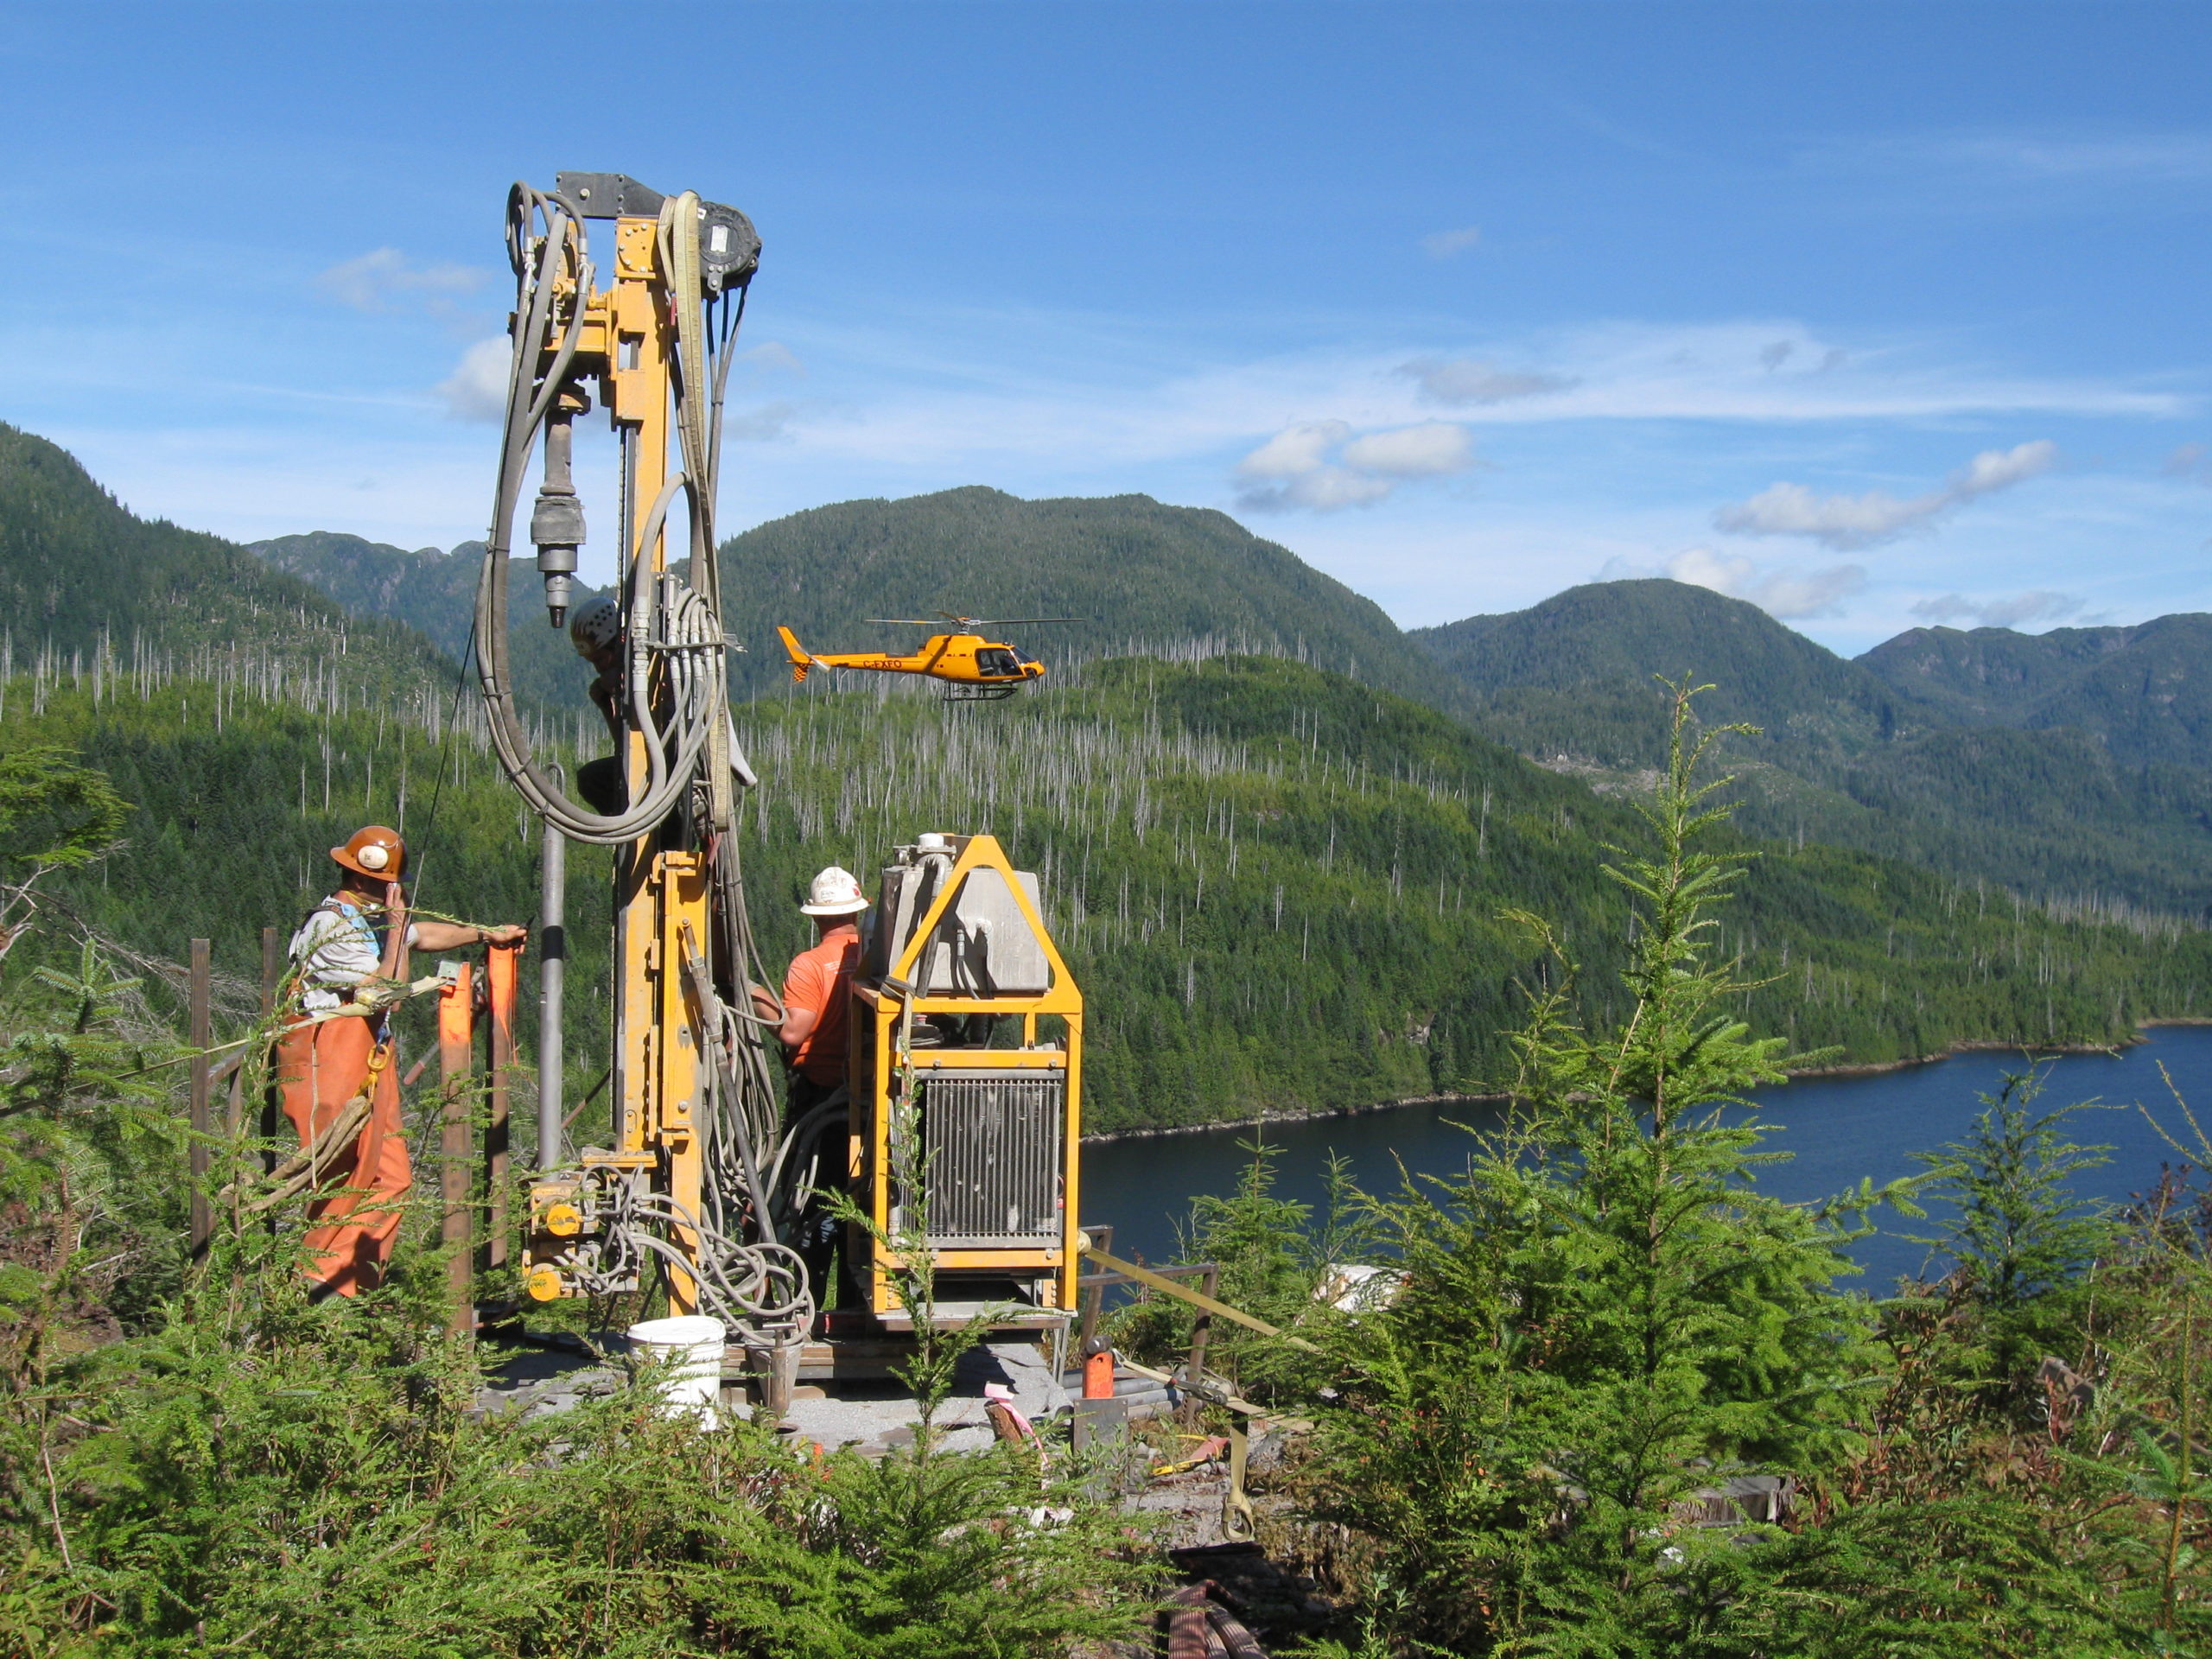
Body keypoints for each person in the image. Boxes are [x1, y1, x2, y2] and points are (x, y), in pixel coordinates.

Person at [273, 824, 526, 1298]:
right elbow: (387, 991)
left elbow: (423, 934)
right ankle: (314, 1282)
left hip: (366, 1057)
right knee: (342, 1173)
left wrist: (483, 933)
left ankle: (348, 1283)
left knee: (391, 1178)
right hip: (327, 1058)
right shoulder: (332, 926)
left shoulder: (370, 918)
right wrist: (396, 926)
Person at [751, 866, 869, 1120]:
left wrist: (752, 993)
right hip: (870, 1093)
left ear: (815, 917)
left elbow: (793, 1032)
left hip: (819, 1095)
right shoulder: (876, 957)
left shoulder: (809, 964)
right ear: (856, 914)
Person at [568, 594, 627, 816]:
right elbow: (628, 749)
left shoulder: (658, 671)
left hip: (692, 773)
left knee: (593, 779)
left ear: (620, 644)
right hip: (670, 770)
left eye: (601, 660)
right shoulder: (627, 684)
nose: (599, 671)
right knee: (592, 779)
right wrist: (606, 706)